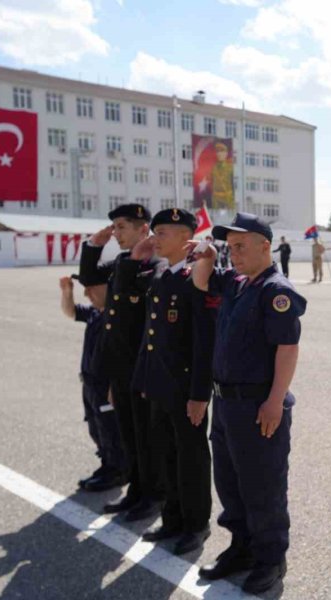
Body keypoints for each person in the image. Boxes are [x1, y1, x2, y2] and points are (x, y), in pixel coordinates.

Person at [191, 212, 305, 594]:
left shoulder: (277, 291)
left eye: (241, 246)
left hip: (258, 406)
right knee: (230, 483)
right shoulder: (237, 283)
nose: (234, 253)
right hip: (226, 406)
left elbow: (287, 349)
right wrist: (207, 253)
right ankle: (241, 548)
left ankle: (271, 560)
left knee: (262, 488)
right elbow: (201, 280)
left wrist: (275, 401)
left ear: (264, 245)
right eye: (230, 246)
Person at [117, 209, 218, 555]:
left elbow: (204, 342)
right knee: (166, 455)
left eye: (162, 233)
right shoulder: (160, 274)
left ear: (184, 238)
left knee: (191, 458)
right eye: (155, 232)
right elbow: (148, 331)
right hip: (158, 385)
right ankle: (172, 518)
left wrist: (199, 394)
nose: (154, 239)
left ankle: (195, 525)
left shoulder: (197, 278)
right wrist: (135, 258)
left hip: (185, 389)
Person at [80, 204, 162, 521]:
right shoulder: (121, 261)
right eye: (113, 226)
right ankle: (136, 492)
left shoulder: (152, 264)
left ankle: (153, 496)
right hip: (120, 368)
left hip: (140, 367)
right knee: (129, 435)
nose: (116, 233)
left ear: (144, 230)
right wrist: (94, 246)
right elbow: (88, 278)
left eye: (122, 226)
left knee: (145, 437)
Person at [59, 273, 127, 492]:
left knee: (110, 430)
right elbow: (70, 311)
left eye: (91, 288)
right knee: (96, 428)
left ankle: (118, 471)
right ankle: (107, 464)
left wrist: (114, 387)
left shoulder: (117, 316)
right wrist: (67, 292)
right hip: (89, 385)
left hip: (105, 386)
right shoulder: (95, 313)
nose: (86, 293)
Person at [211, 142, 235, 211]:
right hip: (216, 198)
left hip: (227, 197)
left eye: (222, 151)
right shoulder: (214, 168)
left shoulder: (230, 168)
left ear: (226, 153)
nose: (219, 154)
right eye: (217, 151)